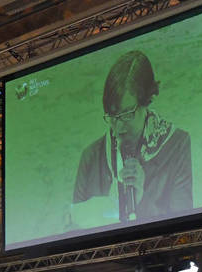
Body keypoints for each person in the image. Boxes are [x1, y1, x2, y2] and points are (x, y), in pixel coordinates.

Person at [72, 50, 192, 226]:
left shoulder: (176, 144)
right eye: (112, 116)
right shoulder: (91, 156)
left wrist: (143, 199)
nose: (119, 127)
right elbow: (74, 232)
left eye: (127, 114)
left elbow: (185, 228)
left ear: (146, 100)